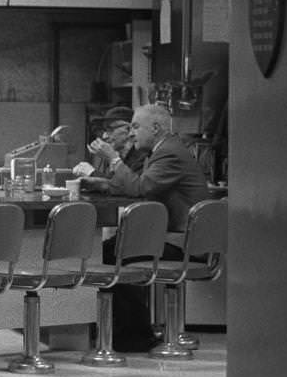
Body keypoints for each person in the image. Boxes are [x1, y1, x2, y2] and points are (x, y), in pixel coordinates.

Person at [81, 103, 210, 351]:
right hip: (178, 238)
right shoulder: (163, 150)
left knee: (109, 254)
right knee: (111, 249)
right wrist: (103, 184)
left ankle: (135, 335)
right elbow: (141, 185)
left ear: (156, 128)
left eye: (136, 127)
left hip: (184, 244)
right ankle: (130, 332)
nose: (132, 133)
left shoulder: (169, 153)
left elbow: (142, 188)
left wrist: (114, 159)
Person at [74, 106, 148, 187]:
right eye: (104, 130)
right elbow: (112, 181)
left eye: (110, 129)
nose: (104, 136)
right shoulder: (121, 156)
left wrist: (92, 172)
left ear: (128, 129)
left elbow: (128, 187)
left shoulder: (143, 155)